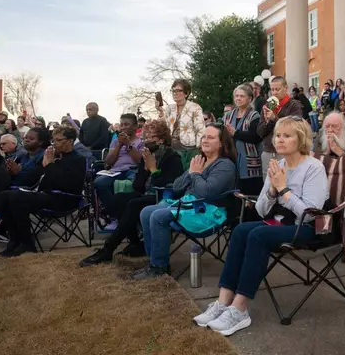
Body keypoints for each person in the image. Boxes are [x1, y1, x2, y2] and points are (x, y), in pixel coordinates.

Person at [193, 116, 328, 335]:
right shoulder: (278, 165)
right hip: (277, 222)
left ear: (301, 138)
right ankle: (223, 301)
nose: (280, 140)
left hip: (307, 229)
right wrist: (273, 191)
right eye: (277, 135)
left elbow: (310, 214)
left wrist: (283, 189)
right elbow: (262, 210)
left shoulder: (314, 167)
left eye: (287, 135)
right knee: (240, 230)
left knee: (258, 235)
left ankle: (240, 309)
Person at [134, 124, 237, 279]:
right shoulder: (199, 160)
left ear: (221, 142)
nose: (205, 140)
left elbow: (206, 192)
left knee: (158, 216)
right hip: (189, 203)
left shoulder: (225, 165)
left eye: (211, 137)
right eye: (204, 136)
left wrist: (195, 174)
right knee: (146, 212)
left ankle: (159, 268)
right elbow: (176, 187)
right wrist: (191, 172)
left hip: (208, 211)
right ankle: (154, 261)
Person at [79, 120, 184, 266]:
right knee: (117, 200)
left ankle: (108, 249)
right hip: (146, 195)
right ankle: (136, 243)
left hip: (164, 198)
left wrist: (154, 170)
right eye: (145, 137)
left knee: (134, 204)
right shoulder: (147, 155)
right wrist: (145, 169)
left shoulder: (172, 157)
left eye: (150, 137)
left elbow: (172, 187)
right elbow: (137, 186)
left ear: (161, 140)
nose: (146, 141)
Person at [0, 126, 87, 257]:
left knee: (18, 197)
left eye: (58, 140)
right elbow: (45, 181)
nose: (54, 143)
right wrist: (47, 166)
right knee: (3, 196)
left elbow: (67, 185)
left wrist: (49, 165)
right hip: (48, 195)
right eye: (53, 140)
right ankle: (14, 240)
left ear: (70, 141)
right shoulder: (56, 156)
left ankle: (27, 243)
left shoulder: (78, 159)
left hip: (65, 199)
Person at [94, 114, 143, 229]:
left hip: (133, 170)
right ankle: (115, 217)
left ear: (135, 126)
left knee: (135, 186)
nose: (123, 127)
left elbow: (139, 161)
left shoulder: (141, 142)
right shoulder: (115, 141)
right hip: (116, 171)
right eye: (121, 125)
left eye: (127, 124)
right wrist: (120, 145)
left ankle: (133, 218)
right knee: (99, 183)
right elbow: (109, 162)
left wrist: (128, 144)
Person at [257, 76, 303, 178]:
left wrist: (274, 119)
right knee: (268, 185)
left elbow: (295, 128)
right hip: (268, 151)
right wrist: (268, 122)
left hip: (287, 152)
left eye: (277, 89)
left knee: (287, 183)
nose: (274, 93)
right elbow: (260, 132)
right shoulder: (268, 106)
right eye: (272, 89)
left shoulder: (294, 105)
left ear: (285, 88)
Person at [224, 84, 264, 196]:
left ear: (249, 98)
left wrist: (235, 133)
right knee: (233, 193)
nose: (238, 98)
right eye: (236, 96)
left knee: (249, 195)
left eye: (242, 96)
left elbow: (255, 137)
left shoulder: (254, 115)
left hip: (250, 164)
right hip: (231, 158)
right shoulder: (228, 116)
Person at [157, 78, 205, 168]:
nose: (175, 93)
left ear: (186, 93)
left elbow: (201, 129)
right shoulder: (169, 108)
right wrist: (160, 112)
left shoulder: (195, 107)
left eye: (178, 90)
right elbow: (162, 126)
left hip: (190, 149)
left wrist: (199, 149)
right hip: (172, 148)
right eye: (173, 90)